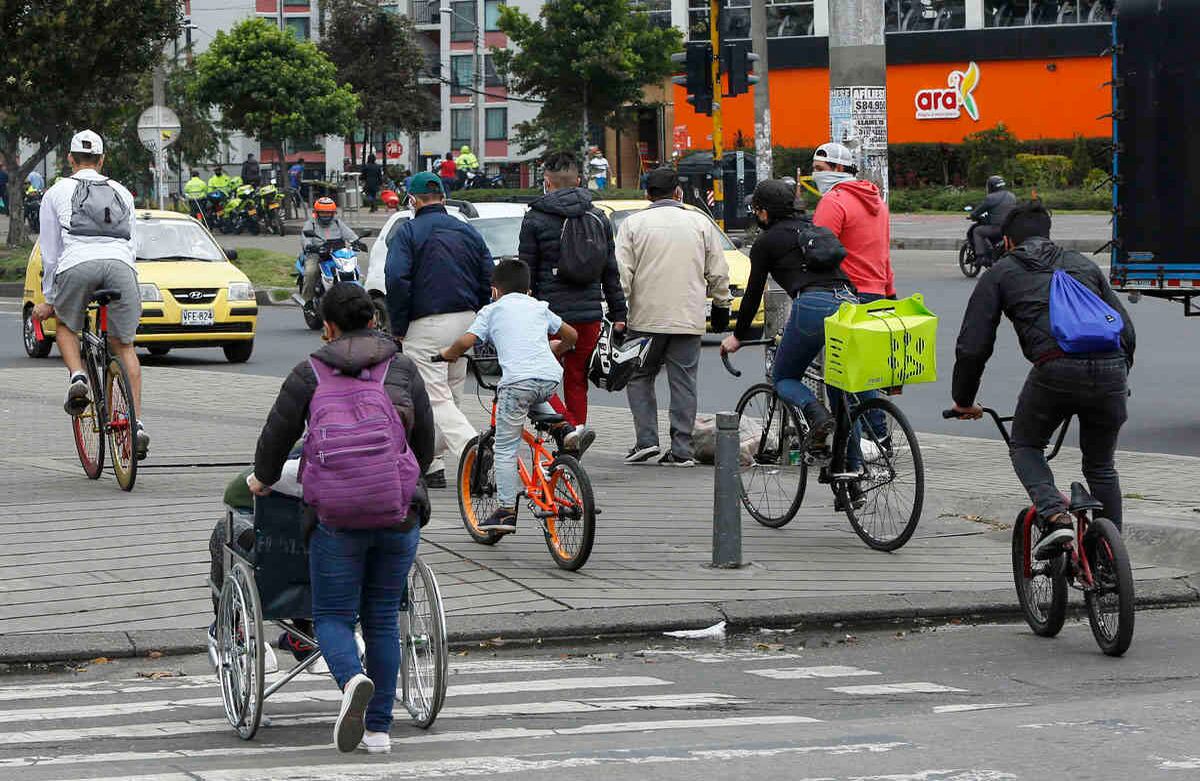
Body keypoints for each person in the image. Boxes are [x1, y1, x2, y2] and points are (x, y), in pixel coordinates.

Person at [248, 283, 435, 755]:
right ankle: (378, 732)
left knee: (332, 614)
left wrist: (263, 479)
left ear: (327, 327)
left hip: (336, 516)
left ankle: (352, 679)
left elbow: (274, 439)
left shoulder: (308, 373)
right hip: (397, 514)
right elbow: (426, 443)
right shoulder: (403, 366)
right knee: (382, 618)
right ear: (373, 320)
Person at [951, 200, 1136, 556]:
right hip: (1111, 370)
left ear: (1007, 242)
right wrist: (1117, 376)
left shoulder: (1001, 273)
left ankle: (1055, 516)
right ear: (1048, 236)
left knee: (1025, 444)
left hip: (1055, 370)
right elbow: (1124, 329)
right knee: (1101, 465)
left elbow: (973, 347)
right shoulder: (1082, 264)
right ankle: (1110, 559)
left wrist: (963, 400)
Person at [32, 130, 149, 458]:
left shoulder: (56, 192)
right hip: (120, 267)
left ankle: (79, 375)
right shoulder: (122, 191)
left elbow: (51, 252)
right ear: (102, 160)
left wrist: (51, 299)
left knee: (67, 327)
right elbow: (132, 244)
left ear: (69, 158)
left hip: (76, 264)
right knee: (124, 346)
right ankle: (136, 423)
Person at [439, 259, 578, 532]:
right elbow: (571, 335)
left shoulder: (492, 310)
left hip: (516, 383)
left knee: (504, 448)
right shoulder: (539, 306)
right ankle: (563, 428)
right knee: (535, 392)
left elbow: (467, 341)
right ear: (528, 290)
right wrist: (557, 349)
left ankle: (505, 511)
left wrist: (448, 354)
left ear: (495, 290)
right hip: (549, 377)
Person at [384, 172, 494, 488]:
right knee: (452, 391)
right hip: (466, 319)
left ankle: (473, 449)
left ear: (412, 201)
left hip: (426, 322)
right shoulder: (467, 231)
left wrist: (399, 325)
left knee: (434, 396)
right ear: (443, 199)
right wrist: (477, 312)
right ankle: (432, 464)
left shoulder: (408, 232)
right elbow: (488, 274)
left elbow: (396, 279)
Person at [616, 167, 731, 467]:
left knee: (639, 376)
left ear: (647, 195)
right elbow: (717, 270)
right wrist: (721, 304)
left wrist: (618, 313)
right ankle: (682, 450)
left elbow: (622, 274)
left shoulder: (632, 224)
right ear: (678, 193)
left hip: (644, 320)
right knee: (683, 382)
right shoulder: (699, 223)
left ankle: (646, 441)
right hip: (687, 318)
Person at [520, 152, 626, 449]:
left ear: (547, 183)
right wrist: (619, 313)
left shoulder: (535, 218)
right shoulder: (598, 217)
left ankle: (567, 429)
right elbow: (610, 271)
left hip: (549, 315)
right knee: (576, 378)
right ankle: (575, 433)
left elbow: (525, 271)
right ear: (579, 180)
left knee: (540, 377)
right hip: (590, 314)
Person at [811, 142, 895, 304]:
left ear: (839, 169)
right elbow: (883, 253)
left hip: (846, 293)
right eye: (814, 169)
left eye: (820, 169)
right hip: (878, 294)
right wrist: (890, 292)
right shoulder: (877, 201)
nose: (815, 175)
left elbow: (820, 252)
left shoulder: (833, 201)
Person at [300, 197, 361, 306]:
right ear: (317, 213)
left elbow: (350, 235)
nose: (326, 215)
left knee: (353, 269)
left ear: (333, 213)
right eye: (323, 212)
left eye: (329, 213)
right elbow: (305, 238)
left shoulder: (337, 223)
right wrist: (310, 246)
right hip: (317, 254)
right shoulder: (311, 224)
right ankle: (307, 302)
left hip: (336, 254)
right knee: (311, 272)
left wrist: (357, 241)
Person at [969, 175, 1018, 267]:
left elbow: (978, 211)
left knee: (977, 231)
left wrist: (972, 215)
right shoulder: (1012, 196)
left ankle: (981, 257)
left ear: (991, 186)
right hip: (1010, 228)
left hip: (997, 228)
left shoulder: (991, 198)